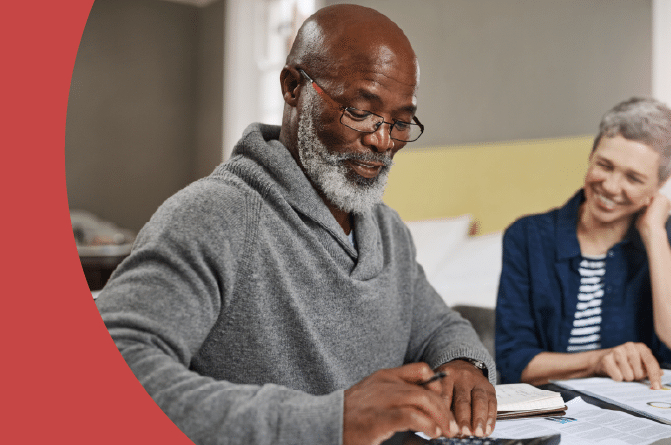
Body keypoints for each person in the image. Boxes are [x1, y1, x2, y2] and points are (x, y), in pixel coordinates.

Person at [97, 5, 496, 445]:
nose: (382, 141)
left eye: (401, 123)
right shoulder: (215, 216)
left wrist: (464, 365)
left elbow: (439, 326)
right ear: (292, 87)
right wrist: (332, 420)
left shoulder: (387, 231)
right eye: (360, 111)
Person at [495, 97, 671, 389]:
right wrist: (598, 361)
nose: (612, 187)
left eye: (634, 178)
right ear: (591, 155)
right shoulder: (527, 236)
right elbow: (515, 363)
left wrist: (654, 233)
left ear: (660, 184)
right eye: (605, 165)